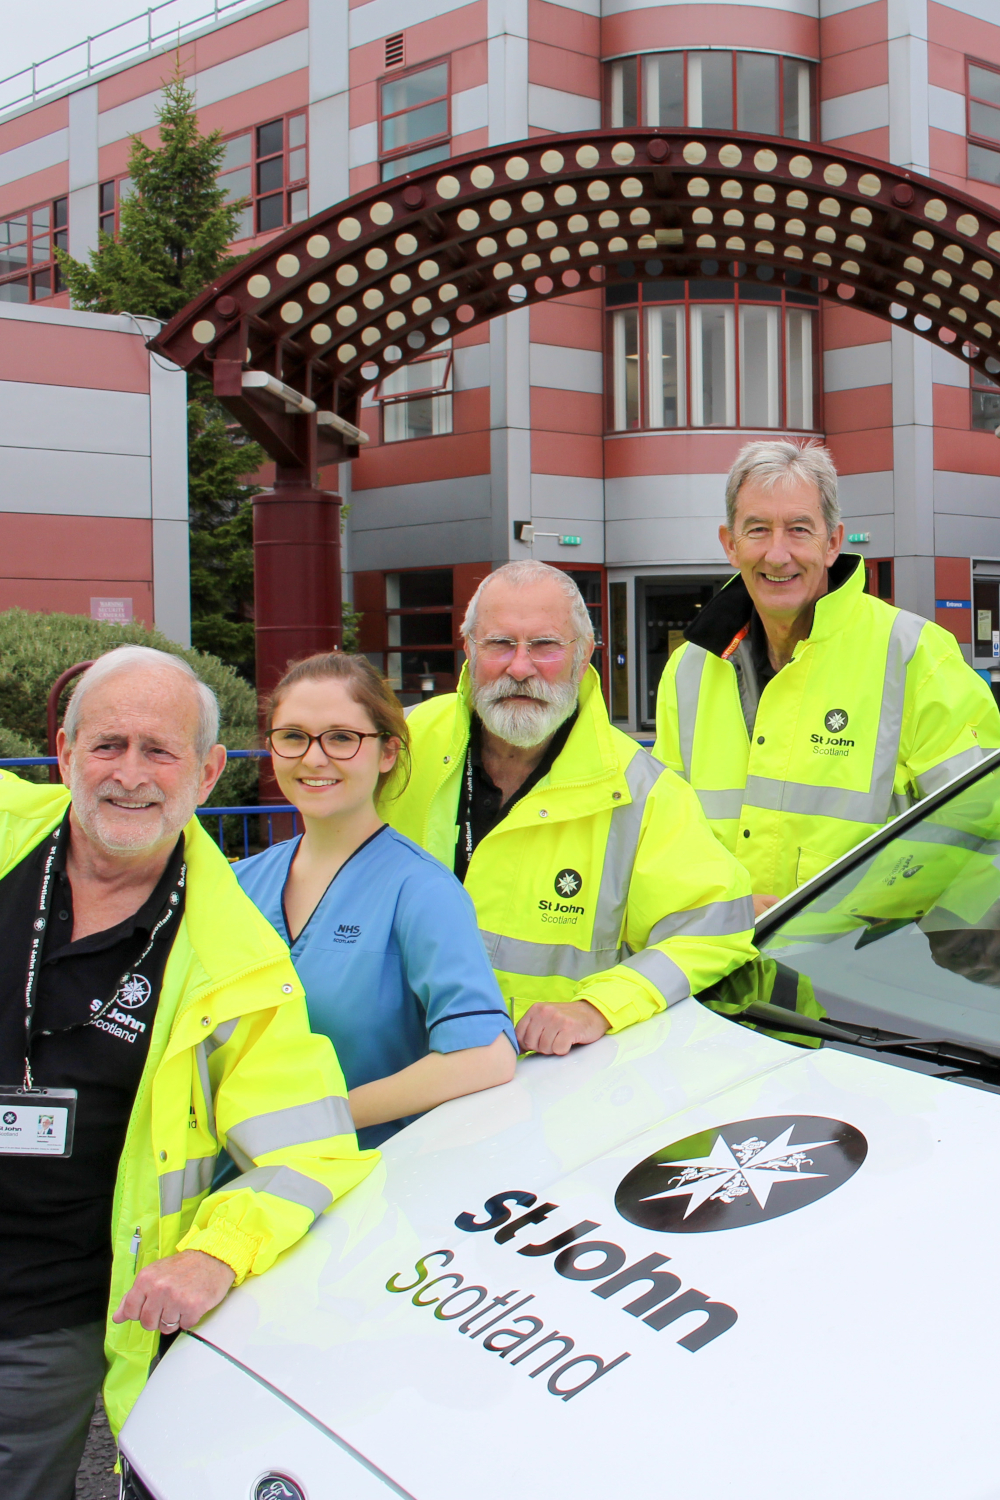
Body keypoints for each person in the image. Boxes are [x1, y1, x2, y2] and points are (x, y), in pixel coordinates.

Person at [0, 646, 377, 1500]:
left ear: (208, 774)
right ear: (62, 752)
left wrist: (216, 1253)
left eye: (159, 751)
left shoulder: (237, 959)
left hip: (39, 1313)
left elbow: (311, 1153)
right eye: (107, 745)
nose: (129, 775)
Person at [382, 560, 756, 1056]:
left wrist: (599, 1007)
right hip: (388, 1060)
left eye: (544, 646)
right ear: (468, 647)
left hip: (536, 1084)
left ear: (584, 657)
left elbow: (715, 928)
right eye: (499, 644)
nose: (520, 667)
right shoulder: (397, 749)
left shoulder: (643, 793)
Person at [653, 439, 1000, 915]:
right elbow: (663, 836)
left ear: (833, 542)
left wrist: (844, 918)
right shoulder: (689, 668)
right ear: (730, 544)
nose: (778, 555)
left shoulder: (915, 656)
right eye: (757, 530)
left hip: (859, 970)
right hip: (718, 970)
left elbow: (978, 830)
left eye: (799, 529)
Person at [234, 653, 518, 1149]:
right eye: (293, 736)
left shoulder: (421, 891)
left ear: (387, 753)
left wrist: (324, 1119)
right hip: (234, 1191)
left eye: (342, 738)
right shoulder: (239, 883)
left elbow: (486, 1055)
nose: (314, 758)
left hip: (365, 1191)